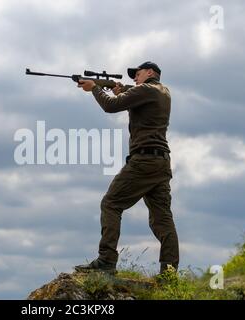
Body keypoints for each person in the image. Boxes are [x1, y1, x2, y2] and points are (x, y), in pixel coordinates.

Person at [74, 61, 179, 275]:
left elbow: (110, 106)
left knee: (111, 204)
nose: (134, 78)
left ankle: (106, 261)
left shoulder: (148, 89)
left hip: (144, 161)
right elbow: (133, 94)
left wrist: (94, 88)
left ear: (150, 73)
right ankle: (169, 273)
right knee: (162, 219)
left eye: (137, 74)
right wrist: (120, 89)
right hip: (160, 163)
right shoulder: (163, 92)